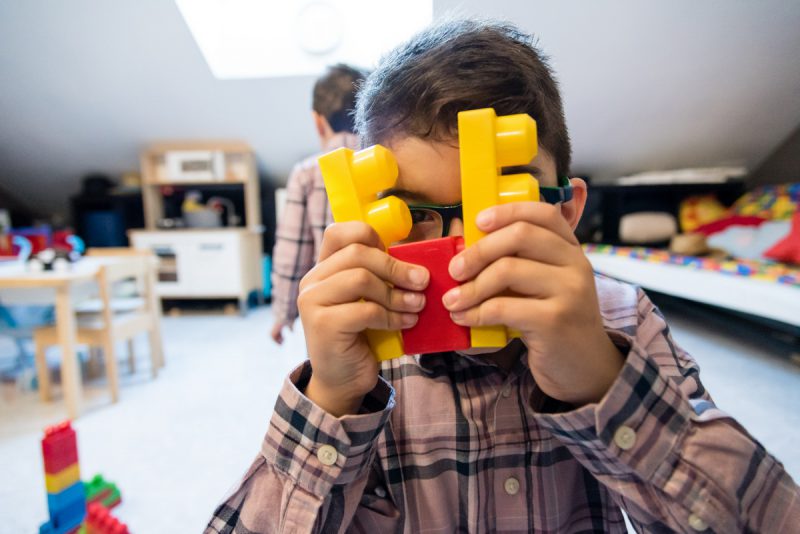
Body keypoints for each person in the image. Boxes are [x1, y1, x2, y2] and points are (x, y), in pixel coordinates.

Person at [209, 20, 800, 532]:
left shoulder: (620, 319)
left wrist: (600, 380)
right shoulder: (356, 356)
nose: (456, 254)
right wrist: (330, 401)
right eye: (412, 215)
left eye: (496, 205)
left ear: (567, 212)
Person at [270, 64, 366, 344]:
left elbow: (293, 249)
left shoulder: (307, 173)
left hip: (329, 304)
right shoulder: (389, 162)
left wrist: (282, 313)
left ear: (318, 121)